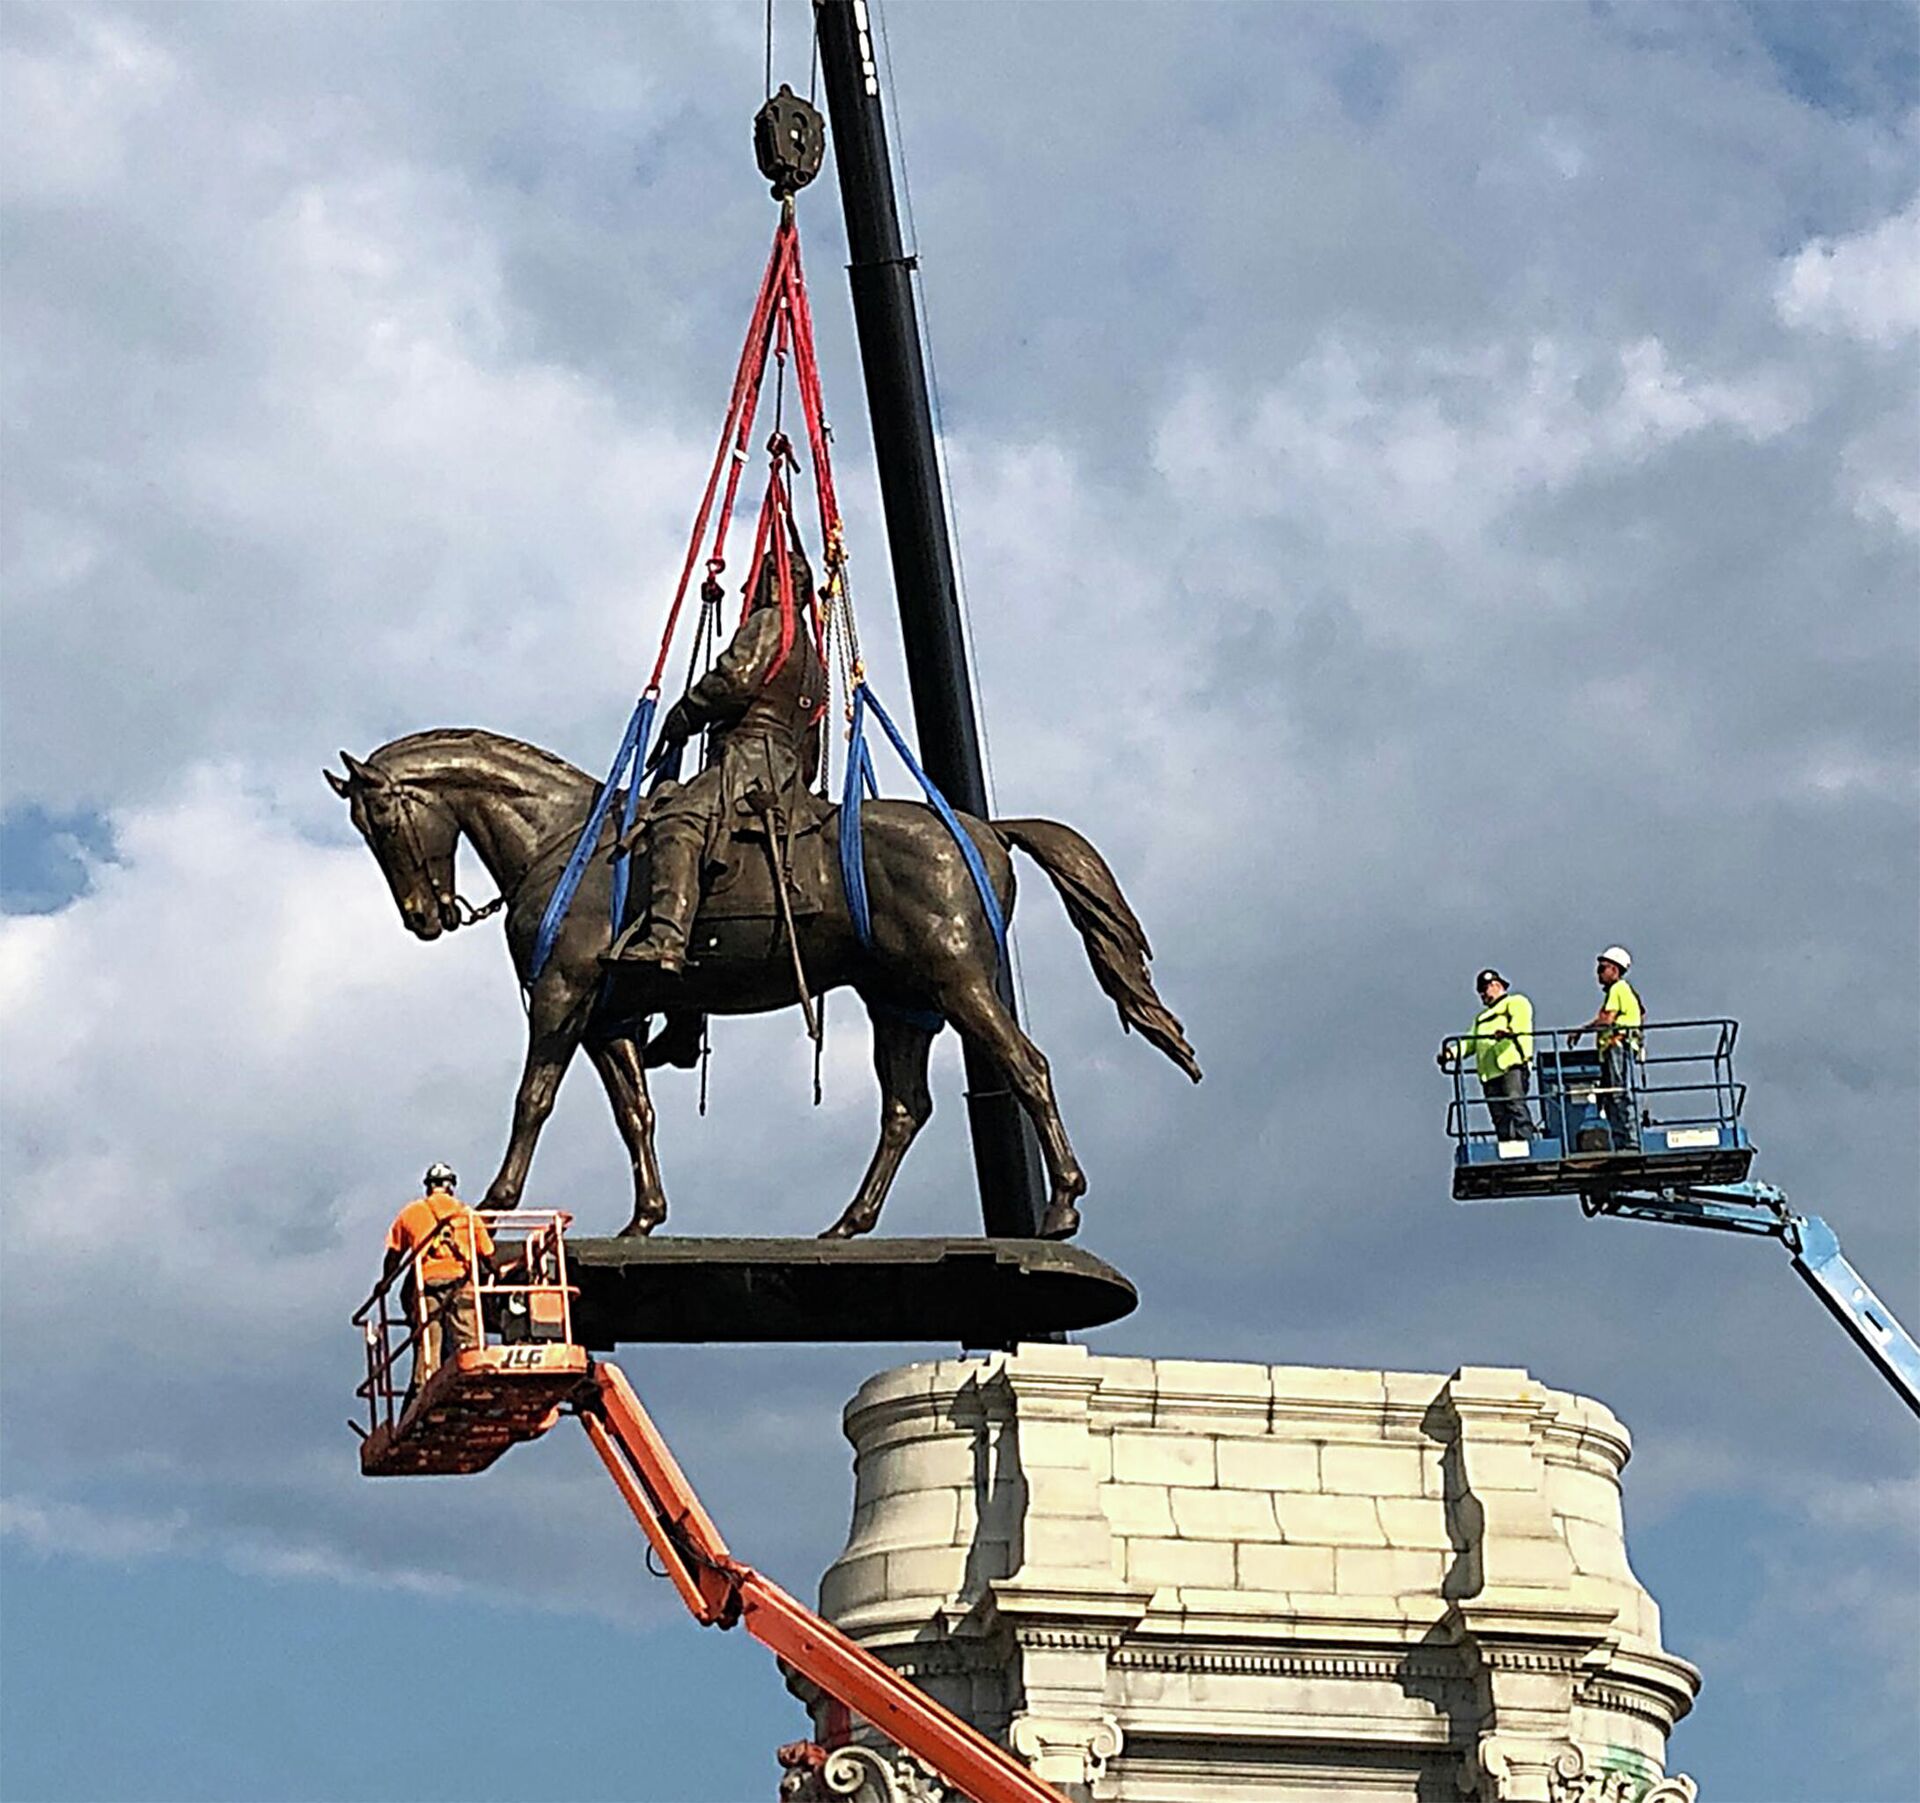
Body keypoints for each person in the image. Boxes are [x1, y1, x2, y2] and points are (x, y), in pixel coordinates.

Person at [609, 539, 827, 977]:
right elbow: (811, 742)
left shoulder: (772, 624)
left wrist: (686, 712)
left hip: (748, 756)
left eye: (763, 577)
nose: (753, 585)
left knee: (679, 820)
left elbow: (736, 680)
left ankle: (666, 940)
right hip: (784, 770)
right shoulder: (812, 658)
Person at [383, 1163, 494, 1400]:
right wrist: (496, 1276)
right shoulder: (467, 1215)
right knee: (468, 1339)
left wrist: (385, 1283)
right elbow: (487, 1253)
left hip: (427, 1287)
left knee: (429, 1343)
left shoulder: (411, 1213)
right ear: (451, 1186)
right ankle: (476, 1384)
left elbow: (393, 1255)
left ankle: (424, 1391)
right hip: (461, 1285)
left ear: (428, 1187)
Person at [1437, 968, 1538, 1142]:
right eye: (1480, 991)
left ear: (1497, 985)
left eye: (1485, 988)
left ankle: (1526, 1142)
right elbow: (1470, 1042)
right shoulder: (1481, 1018)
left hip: (1510, 1064)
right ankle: (1506, 1144)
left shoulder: (1515, 1002)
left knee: (1515, 1104)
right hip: (1489, 1072)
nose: (1483, 994)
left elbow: (1521, 1022)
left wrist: (1509, 1031)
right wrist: (1451, 1053)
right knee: (1498, 1114)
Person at [1568, 945, 1643, 1148]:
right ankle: (1623, 1140)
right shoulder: (1622, 991)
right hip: (1615, 1047)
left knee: (1618, 1093)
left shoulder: (1618, 989)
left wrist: (1581, 1030)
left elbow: (1607, 1019)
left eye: (1603, 968)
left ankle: (1630, 1140)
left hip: (1618, 1046)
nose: (1598, 973)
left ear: (1615, 970)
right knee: (1611, 1096)